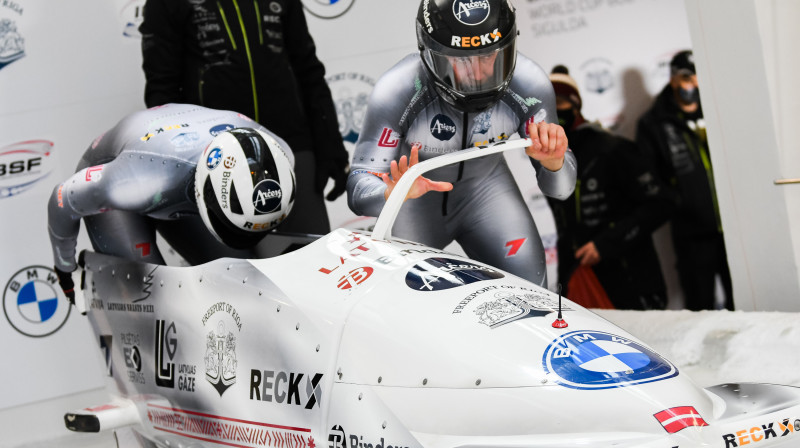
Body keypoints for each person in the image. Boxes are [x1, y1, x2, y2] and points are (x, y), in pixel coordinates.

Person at [346, 0, 577, 287]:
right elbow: (358, 190)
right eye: (461, 60)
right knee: (403, 304)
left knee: (532, 287)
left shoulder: (529, 83)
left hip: (487, 194)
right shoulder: (397, 88)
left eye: (490, 57)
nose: (478, 75)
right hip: (415, 200)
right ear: (430, 55)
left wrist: (553, 162)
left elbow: (562, 188)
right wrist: (392, 192)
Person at [138, 0, 349, 236]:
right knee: (238, 270)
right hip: (216, 159)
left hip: (290, 147)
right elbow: (162, 91)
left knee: (311, 259)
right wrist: (184, 163)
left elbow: (307, 68)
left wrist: (330, 144)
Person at [47, 103, 295, 302]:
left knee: (240, 280)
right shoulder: (133, 183)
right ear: (205, 196)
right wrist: (65, 267)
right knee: (148, 297)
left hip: (174, 175)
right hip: (136, 169)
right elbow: (61, 199)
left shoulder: (282, 155)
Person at [547, 65, 677, 310]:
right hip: (578, 283)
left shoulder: (613, 148)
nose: (553, 112)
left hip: (632, 281)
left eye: (561, 102)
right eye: (546, 105)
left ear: (576, 105)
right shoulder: (548, 158)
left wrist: (606, 243)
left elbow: (661, 202)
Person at [636, 50, 734, 310]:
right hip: (693, 234)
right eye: (685, 77)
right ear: (673, 79)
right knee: (701, 307)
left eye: (697, 76)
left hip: (736, 231)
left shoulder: (721, 109)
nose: (692, 84)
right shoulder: (653, 122)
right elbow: (649, 178)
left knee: (747, 303)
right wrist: (679, 203)